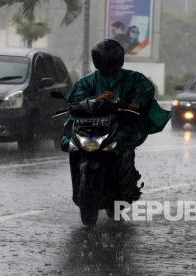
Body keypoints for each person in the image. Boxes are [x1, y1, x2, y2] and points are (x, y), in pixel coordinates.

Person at [61, 39, 170, 208]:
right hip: (91, 126)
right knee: (72, 139)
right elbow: (75, 99)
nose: (108, 64)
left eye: (111, 60)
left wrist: (135, 102)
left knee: (123, 148)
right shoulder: (87, 81)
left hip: (120, 124)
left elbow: (145, 90)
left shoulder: (133, 79)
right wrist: (95, 100)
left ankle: (125, 186)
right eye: (104, 60)